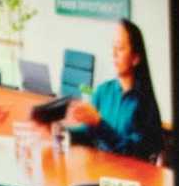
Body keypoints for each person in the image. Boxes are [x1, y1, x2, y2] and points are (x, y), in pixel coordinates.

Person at [66, 18, 167, 163]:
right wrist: (60, 131)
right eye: (113, 47)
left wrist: (99, 123)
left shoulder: (144, 102)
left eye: (119, 48)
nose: (113, 53)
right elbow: (87, 133)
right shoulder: (102, 91)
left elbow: (133, 151)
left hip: (129, 179)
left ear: (135, 58)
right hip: (100, 171)